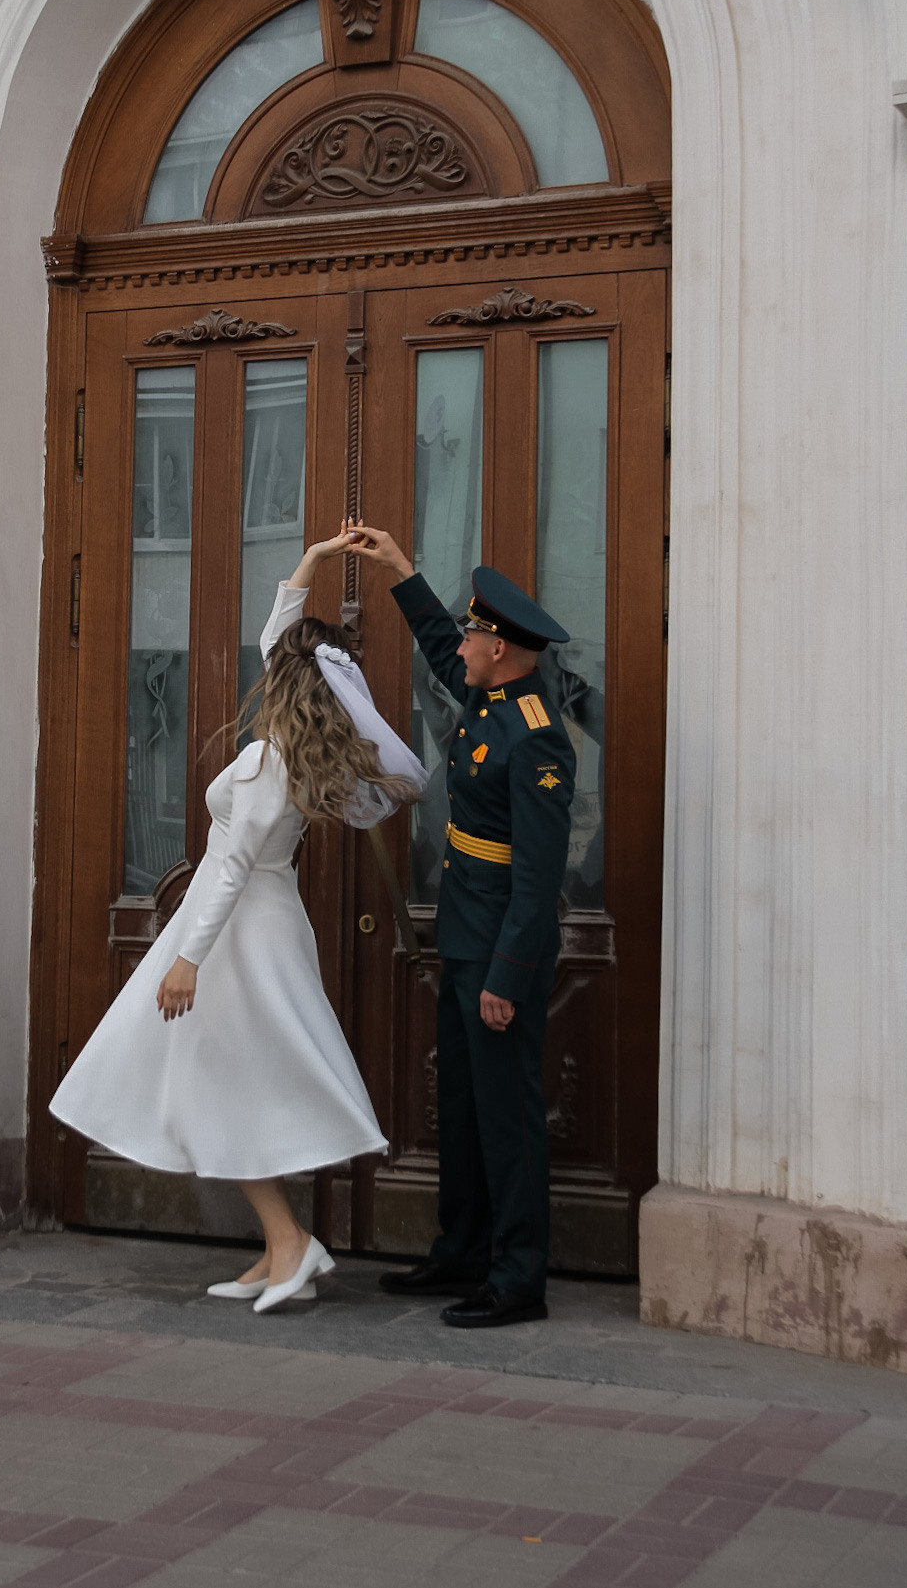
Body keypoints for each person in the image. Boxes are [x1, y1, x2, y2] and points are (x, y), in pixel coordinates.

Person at [50, 530, 425, 1315]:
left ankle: (288, 1240)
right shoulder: (295, 751)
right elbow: (275, 636)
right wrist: (314, 563)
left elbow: (225, 870)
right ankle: (280, 1243)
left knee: (224, 1079)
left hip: (237, 934)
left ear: (282, 682)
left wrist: (186, 958)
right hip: (263, 922)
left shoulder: (264, 762)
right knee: (230, 1078)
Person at [349, 525, 576, 1328]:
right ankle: (462, 1250)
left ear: (506, 651)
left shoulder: (536, 736)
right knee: (464, 1104)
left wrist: (509, 977)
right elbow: (441, 645)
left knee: (506, 1116)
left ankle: (517, 1278)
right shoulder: (490, 695)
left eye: (479, 632)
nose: (467, 641)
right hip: (463, 935)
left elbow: (538, 877)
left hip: (498, 952)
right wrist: (400, 570)